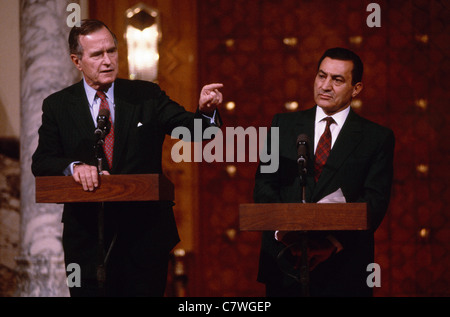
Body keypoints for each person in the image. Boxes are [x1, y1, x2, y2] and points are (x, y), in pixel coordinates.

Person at [31, 19, 223, 297]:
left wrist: (205, 111)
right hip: (86, 240)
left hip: (144, 236)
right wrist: (74, 167)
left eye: (112, 51)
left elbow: (196, 130)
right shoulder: (58, 106)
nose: (107, 61)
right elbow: (42, 162)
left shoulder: (146, 95)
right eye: (97, 54)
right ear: (77, 61)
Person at [254, 47, 395, 297]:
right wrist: (286, 235)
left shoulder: (377, 138)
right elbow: (264, 186)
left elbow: (374, 203)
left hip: (344, 268)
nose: (326, 85)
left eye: (337, 79)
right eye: (322, 76)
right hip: (285, 264)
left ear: (357, 88)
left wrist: (330, 243)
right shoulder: (283, 125)